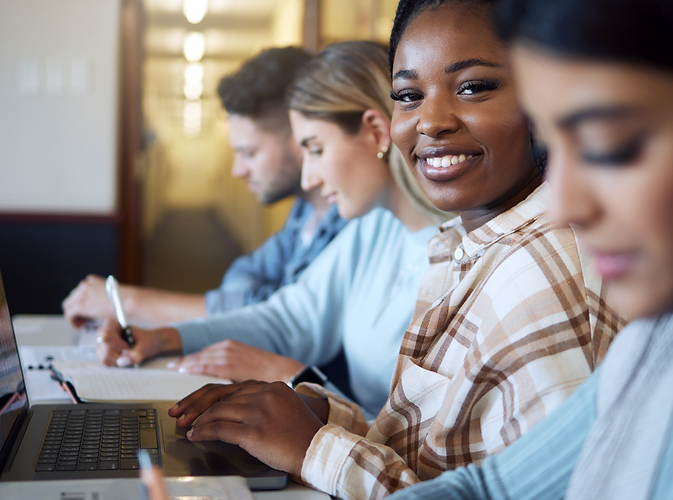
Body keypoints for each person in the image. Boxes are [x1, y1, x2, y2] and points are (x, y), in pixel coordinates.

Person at [385, 0, 673, 498]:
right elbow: (488, 488)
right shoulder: (666, 340)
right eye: (550, 144)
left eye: (610, 146)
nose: (565, 207)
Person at [160, 2, 624, 498]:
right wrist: (321, 417)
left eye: (473, 86)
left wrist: (315, 449)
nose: (431, 120)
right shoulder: (467, 245)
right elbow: (433, 461)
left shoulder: (541, 271)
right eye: (408, 95)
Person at [97, 41, 456, 417]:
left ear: (376, 133)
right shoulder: (375, 228)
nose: (309, 177)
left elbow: (425, 445)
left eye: (316, 149)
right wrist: (164, 338)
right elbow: (289, 318)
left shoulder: (462, 255)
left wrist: (291, 375)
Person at [61, 47, 348, 327]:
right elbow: (245, 274)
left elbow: (283, 323)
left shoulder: (352, 220)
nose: (238, 170)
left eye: (249, 153)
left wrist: (129, 301)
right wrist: (254, 304)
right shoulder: (304, 213)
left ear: (300, 137)